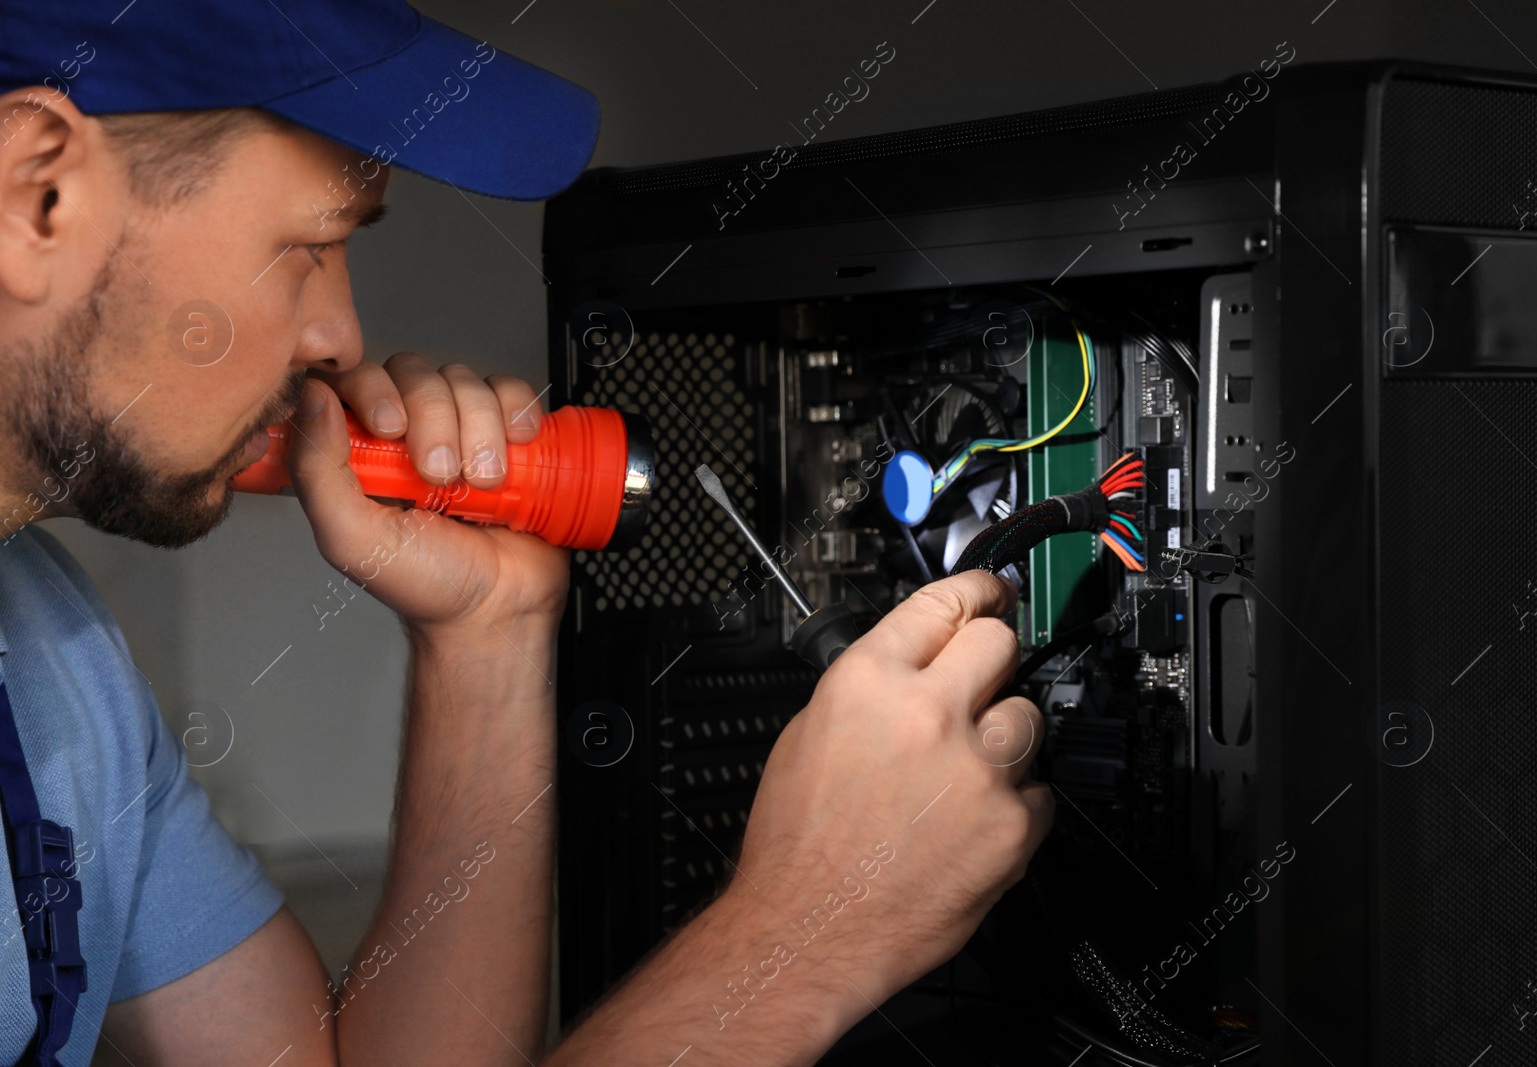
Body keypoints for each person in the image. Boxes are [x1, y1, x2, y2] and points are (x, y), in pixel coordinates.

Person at [0, 2, 1051, 1063]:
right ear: (36, 192)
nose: (339, 338)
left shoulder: (53, 646)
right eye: (310, 244)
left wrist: (486, 632)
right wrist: (807, 930)